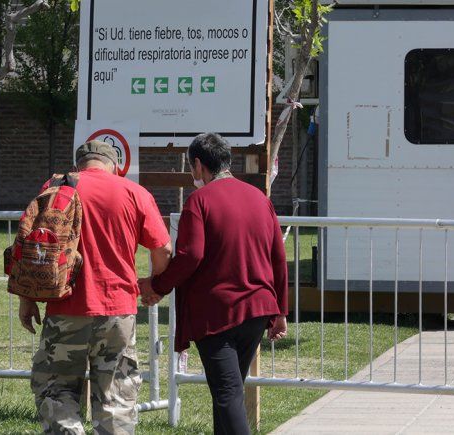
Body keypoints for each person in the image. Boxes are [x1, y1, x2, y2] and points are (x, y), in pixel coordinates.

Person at [139, 132, 288, 435]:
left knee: (226, 394)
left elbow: (191, 255)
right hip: (257, 312)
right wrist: (280, 311)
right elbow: (278, 258)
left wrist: (158, 285)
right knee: (228, 393)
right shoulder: (260, 198)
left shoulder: (199, 201)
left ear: (197, 164)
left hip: (217, 315)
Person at [19, 140, 172, 434]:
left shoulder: (56, 188)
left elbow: (35, 247)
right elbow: (163, 249)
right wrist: (154, 286)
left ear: (78, 166)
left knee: (56, 389)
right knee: (117, 395)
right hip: (118, 310)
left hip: (65, 307)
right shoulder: (134, 193)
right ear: (114, 166)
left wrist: (28, 299)